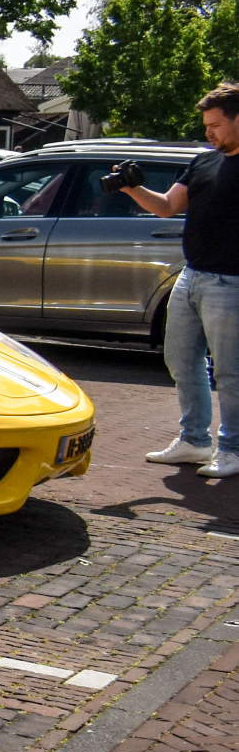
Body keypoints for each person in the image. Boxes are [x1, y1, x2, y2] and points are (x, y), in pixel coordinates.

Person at [112, 84, 239, 476]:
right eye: (206, 125)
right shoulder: (203, 162)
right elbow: (166, 207)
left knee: (231, 370)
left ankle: (233, 448)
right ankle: (195, 441)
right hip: (191, 276)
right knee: (181, 361)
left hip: (232, 283)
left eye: (215, 125)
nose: (208, 133)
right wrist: (131, 187)